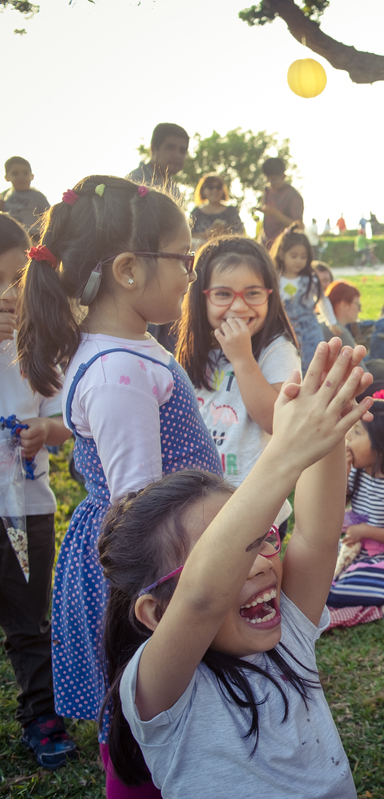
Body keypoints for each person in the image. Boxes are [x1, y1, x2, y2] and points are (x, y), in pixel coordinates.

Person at [16, 176, 222, 798]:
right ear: (129, 269)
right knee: (148, 716)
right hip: (150, 567)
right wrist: (175, 601)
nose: (191, 271)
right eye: (183, 257)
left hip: (165, 552)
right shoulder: (120, 370)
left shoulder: (128, 350)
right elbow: (139, 506)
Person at [100, 339, 372, 797]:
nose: (259, 564)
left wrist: (325, 430)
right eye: (232, 555)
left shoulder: (289, 636)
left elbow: (316, 536)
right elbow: (202, 598)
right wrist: (284, 452)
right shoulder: (160, 690)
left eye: (263, 539)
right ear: (156, 613)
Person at [0, 213, 77, 770]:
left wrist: (45, 431)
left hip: (23, 510)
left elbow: (65, 417)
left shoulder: (37, 350)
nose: (6, 299)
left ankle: (41, 713)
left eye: (13, 284)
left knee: (29, 618)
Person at [174, 236, 301, 514]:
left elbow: (277, 421)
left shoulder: (276, 350)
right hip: (200, 502)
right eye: (223, 294)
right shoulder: (200, 349)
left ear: (270, 295)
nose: (239, 306)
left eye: (253, 293)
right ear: (201, 297)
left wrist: (243, 359)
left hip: (256, 504)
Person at [328, 392, 384, 627]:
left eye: (358, 433)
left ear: (381, 449)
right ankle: (382, 604)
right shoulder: (357, 474)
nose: (349, 438)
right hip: (359, 555)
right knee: (321, 583)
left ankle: (383, 600)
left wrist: (366, 531)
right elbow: (334, 506)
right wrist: (342, 471)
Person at [269, 227, 335, 372]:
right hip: (285, 332)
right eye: (293, 256)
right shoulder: (274, 279)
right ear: (281, 254)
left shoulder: (310, 279)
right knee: (290, 367)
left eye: (303, 257)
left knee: (316, 365)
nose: (299, 261)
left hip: (311, 330)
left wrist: (332, 322)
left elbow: (322, 299)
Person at [126, 123, 189, 190]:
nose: (177, 155)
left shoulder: (174, 189)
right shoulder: (135, 182)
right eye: (170, 147)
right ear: (153, 148)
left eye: (182, 150)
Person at [188, 174, 245, 248]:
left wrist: (223, 232)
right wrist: (208, 232)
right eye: (210, 187)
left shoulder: (231, 211)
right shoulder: (196, 212)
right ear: (203, 190)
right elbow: (188, 235)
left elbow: (240, 234)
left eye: (218, 187)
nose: (215, 190)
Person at [258, 158, 304, 248]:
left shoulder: (294, 196)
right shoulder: (267, 190)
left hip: (284, 247)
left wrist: (275, 214)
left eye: (274, 180)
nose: (271, 183)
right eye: (268, 180)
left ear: (283, 176)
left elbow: (299, 227)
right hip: (266, 244)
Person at [2, 157, 51, 232]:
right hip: (10, 236)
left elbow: (50, 217)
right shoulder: (4, 196)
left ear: (32, 176)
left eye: (25, 173)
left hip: (33, 235)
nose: (21, 177)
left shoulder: (37, 196)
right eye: (15, 174)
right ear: (7, 178)